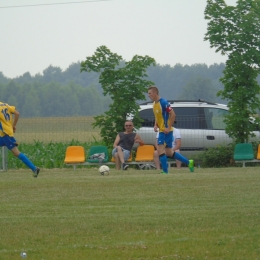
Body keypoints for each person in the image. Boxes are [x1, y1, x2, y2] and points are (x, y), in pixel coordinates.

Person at [147, 86, 194, 174]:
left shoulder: (164, 102)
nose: (148, 95)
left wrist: (168, 127)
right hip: (161, 130)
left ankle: (165, 171)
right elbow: (158, 116)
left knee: (160, 149)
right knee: (169, 152)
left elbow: (173, 115)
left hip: (165, 130)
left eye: (149, 93)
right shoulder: (154, 104)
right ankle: (189, 162)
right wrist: (155, 125)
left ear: (155, 93)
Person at [0, 102, 40, 177]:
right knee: (16, 153)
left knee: (16, 153)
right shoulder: (5, 105)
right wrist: (13, 126)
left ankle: (34, 169)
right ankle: (34, 169)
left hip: (6, 134)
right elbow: (17, 113)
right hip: (5, 134)